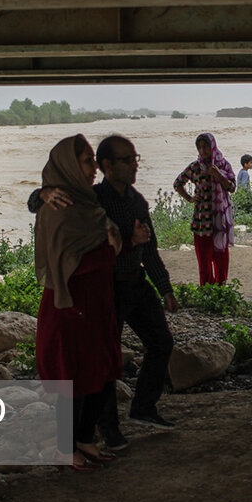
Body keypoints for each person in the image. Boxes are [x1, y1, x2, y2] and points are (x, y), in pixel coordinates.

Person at [29, 135, 181, 448]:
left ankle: (142, 407)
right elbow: (41, 206)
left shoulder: (136, 200)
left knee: (161, 342)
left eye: (135, 158)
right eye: (127, 160)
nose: (134, 165)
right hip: (105, 289)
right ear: (107, 166)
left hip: (135, 284)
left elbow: (148, 246)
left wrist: (164, 288)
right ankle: (107, 429)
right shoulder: (90, 199)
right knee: (104, 362)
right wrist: (41, 193)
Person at [34, 134, 122, 472]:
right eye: (87, 160)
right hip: (69, 309)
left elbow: (106, 239)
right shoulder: (58, 208)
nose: (95, 167)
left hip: (96, 305)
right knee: (72, 381)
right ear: (69, 165)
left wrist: (122, 244)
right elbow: (66, 266)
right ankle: (62, 447)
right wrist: (109, 251)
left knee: (100, 372)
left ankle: (85, 439)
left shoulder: (87, 202)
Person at [174, 133, 236, 285]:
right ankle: (206, 291)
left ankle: (220, 291)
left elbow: (232, 187)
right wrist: (190, 198)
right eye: (199, 147)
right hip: (202, 221)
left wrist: (218, 174)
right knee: (204, 261)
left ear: (213, 147)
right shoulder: (195, 167)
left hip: (219, 221)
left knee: (221, 260)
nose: (202, 151)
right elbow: (178, 184)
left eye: (205, 147)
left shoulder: (223, 165)